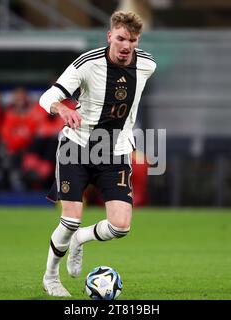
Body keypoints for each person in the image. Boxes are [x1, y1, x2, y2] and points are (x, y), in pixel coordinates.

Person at [39, 10, 156, 296]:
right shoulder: (87, 63)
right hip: (76, 147)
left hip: (114, 151)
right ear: (109, 36)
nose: (126, 46)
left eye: (132, 40)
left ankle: (80, 240)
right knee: (70, 218)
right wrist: (62, 108)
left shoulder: (147, 65)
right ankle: (51, 277)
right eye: (120, 39)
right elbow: (47, 98)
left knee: (120, 226)